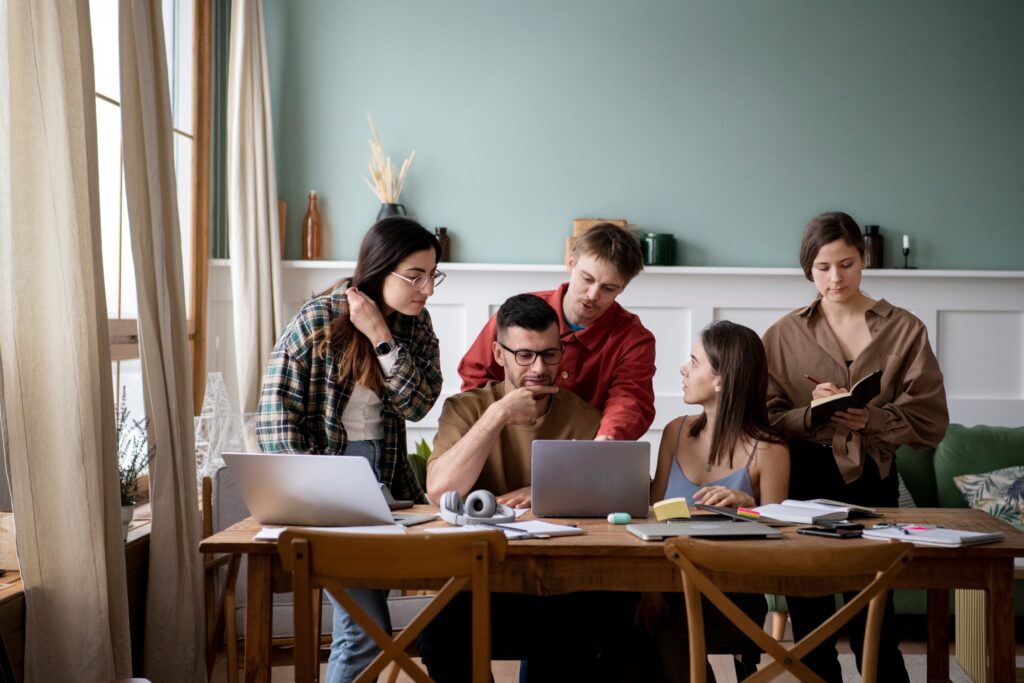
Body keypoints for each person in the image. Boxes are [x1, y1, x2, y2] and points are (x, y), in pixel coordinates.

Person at [761, 211, 949, 682]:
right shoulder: (783, 333)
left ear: (864, 260)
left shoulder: (906, 329)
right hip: (802, 475)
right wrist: (810, 414)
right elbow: (761, 416)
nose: (834, 278)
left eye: (846, 264)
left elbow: (929, 418)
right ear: (808, 268)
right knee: (811, 614)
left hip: (873, 476)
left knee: (875, 614)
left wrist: (874, 419)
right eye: (822, 267)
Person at [256, 216, 444, 683]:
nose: (428, 289)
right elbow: (274, 418)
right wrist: (316, 489)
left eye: (433, 275)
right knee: (364, 631)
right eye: (416, 276)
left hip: (389, 490)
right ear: (381, 269)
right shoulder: (318, 318)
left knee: (365, 629)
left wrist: (381, 335)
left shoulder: (414, 327)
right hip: (329, 489)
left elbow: (418, 404)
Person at [420, 293, 606, 681]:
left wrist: (543, 495)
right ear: (499, 354)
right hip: (477, 584)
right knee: (440, 636)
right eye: (524, 355)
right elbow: (440, 490)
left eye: (549, 354)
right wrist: (498, 414)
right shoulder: (466, 408)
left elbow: (602, 508)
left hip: (559, 587)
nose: (539, 367)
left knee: (588, 630)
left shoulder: (586, 418)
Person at [640, 321, 789, 681]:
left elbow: (785, 545)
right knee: (619, 631)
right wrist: (648, 590)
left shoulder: (769, 450)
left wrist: (748, 508)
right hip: (666, 585)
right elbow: (651, 516)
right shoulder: (675, 431)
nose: (683, 369)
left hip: (732, 596)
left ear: (721, 379)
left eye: (694, 362)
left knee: (669, 632)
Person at [457, 223, 656, 441]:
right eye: (587, 279)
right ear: (571, 263)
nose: (592, 294)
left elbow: (630, 399)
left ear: (623, 288)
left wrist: (607, 440)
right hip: (507, 438)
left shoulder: (635, 339)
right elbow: (476, 375)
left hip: (585, 448)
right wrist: (491, 426)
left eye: (608, 288)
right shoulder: (518, 313)